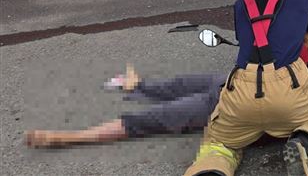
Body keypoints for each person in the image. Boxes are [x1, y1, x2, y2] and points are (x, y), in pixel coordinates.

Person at [184, 0, 308, 176]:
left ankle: (211, 167)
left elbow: (246, 41)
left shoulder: (242, 4)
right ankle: (305, 144)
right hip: (287, 94)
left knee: (218, 141)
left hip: (241, 93)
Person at [25, 64, 226, 148]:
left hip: (237, 103)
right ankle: (138, 86)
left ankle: (72, 137)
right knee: (182, 84)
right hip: (235, 81)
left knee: (159, 116)